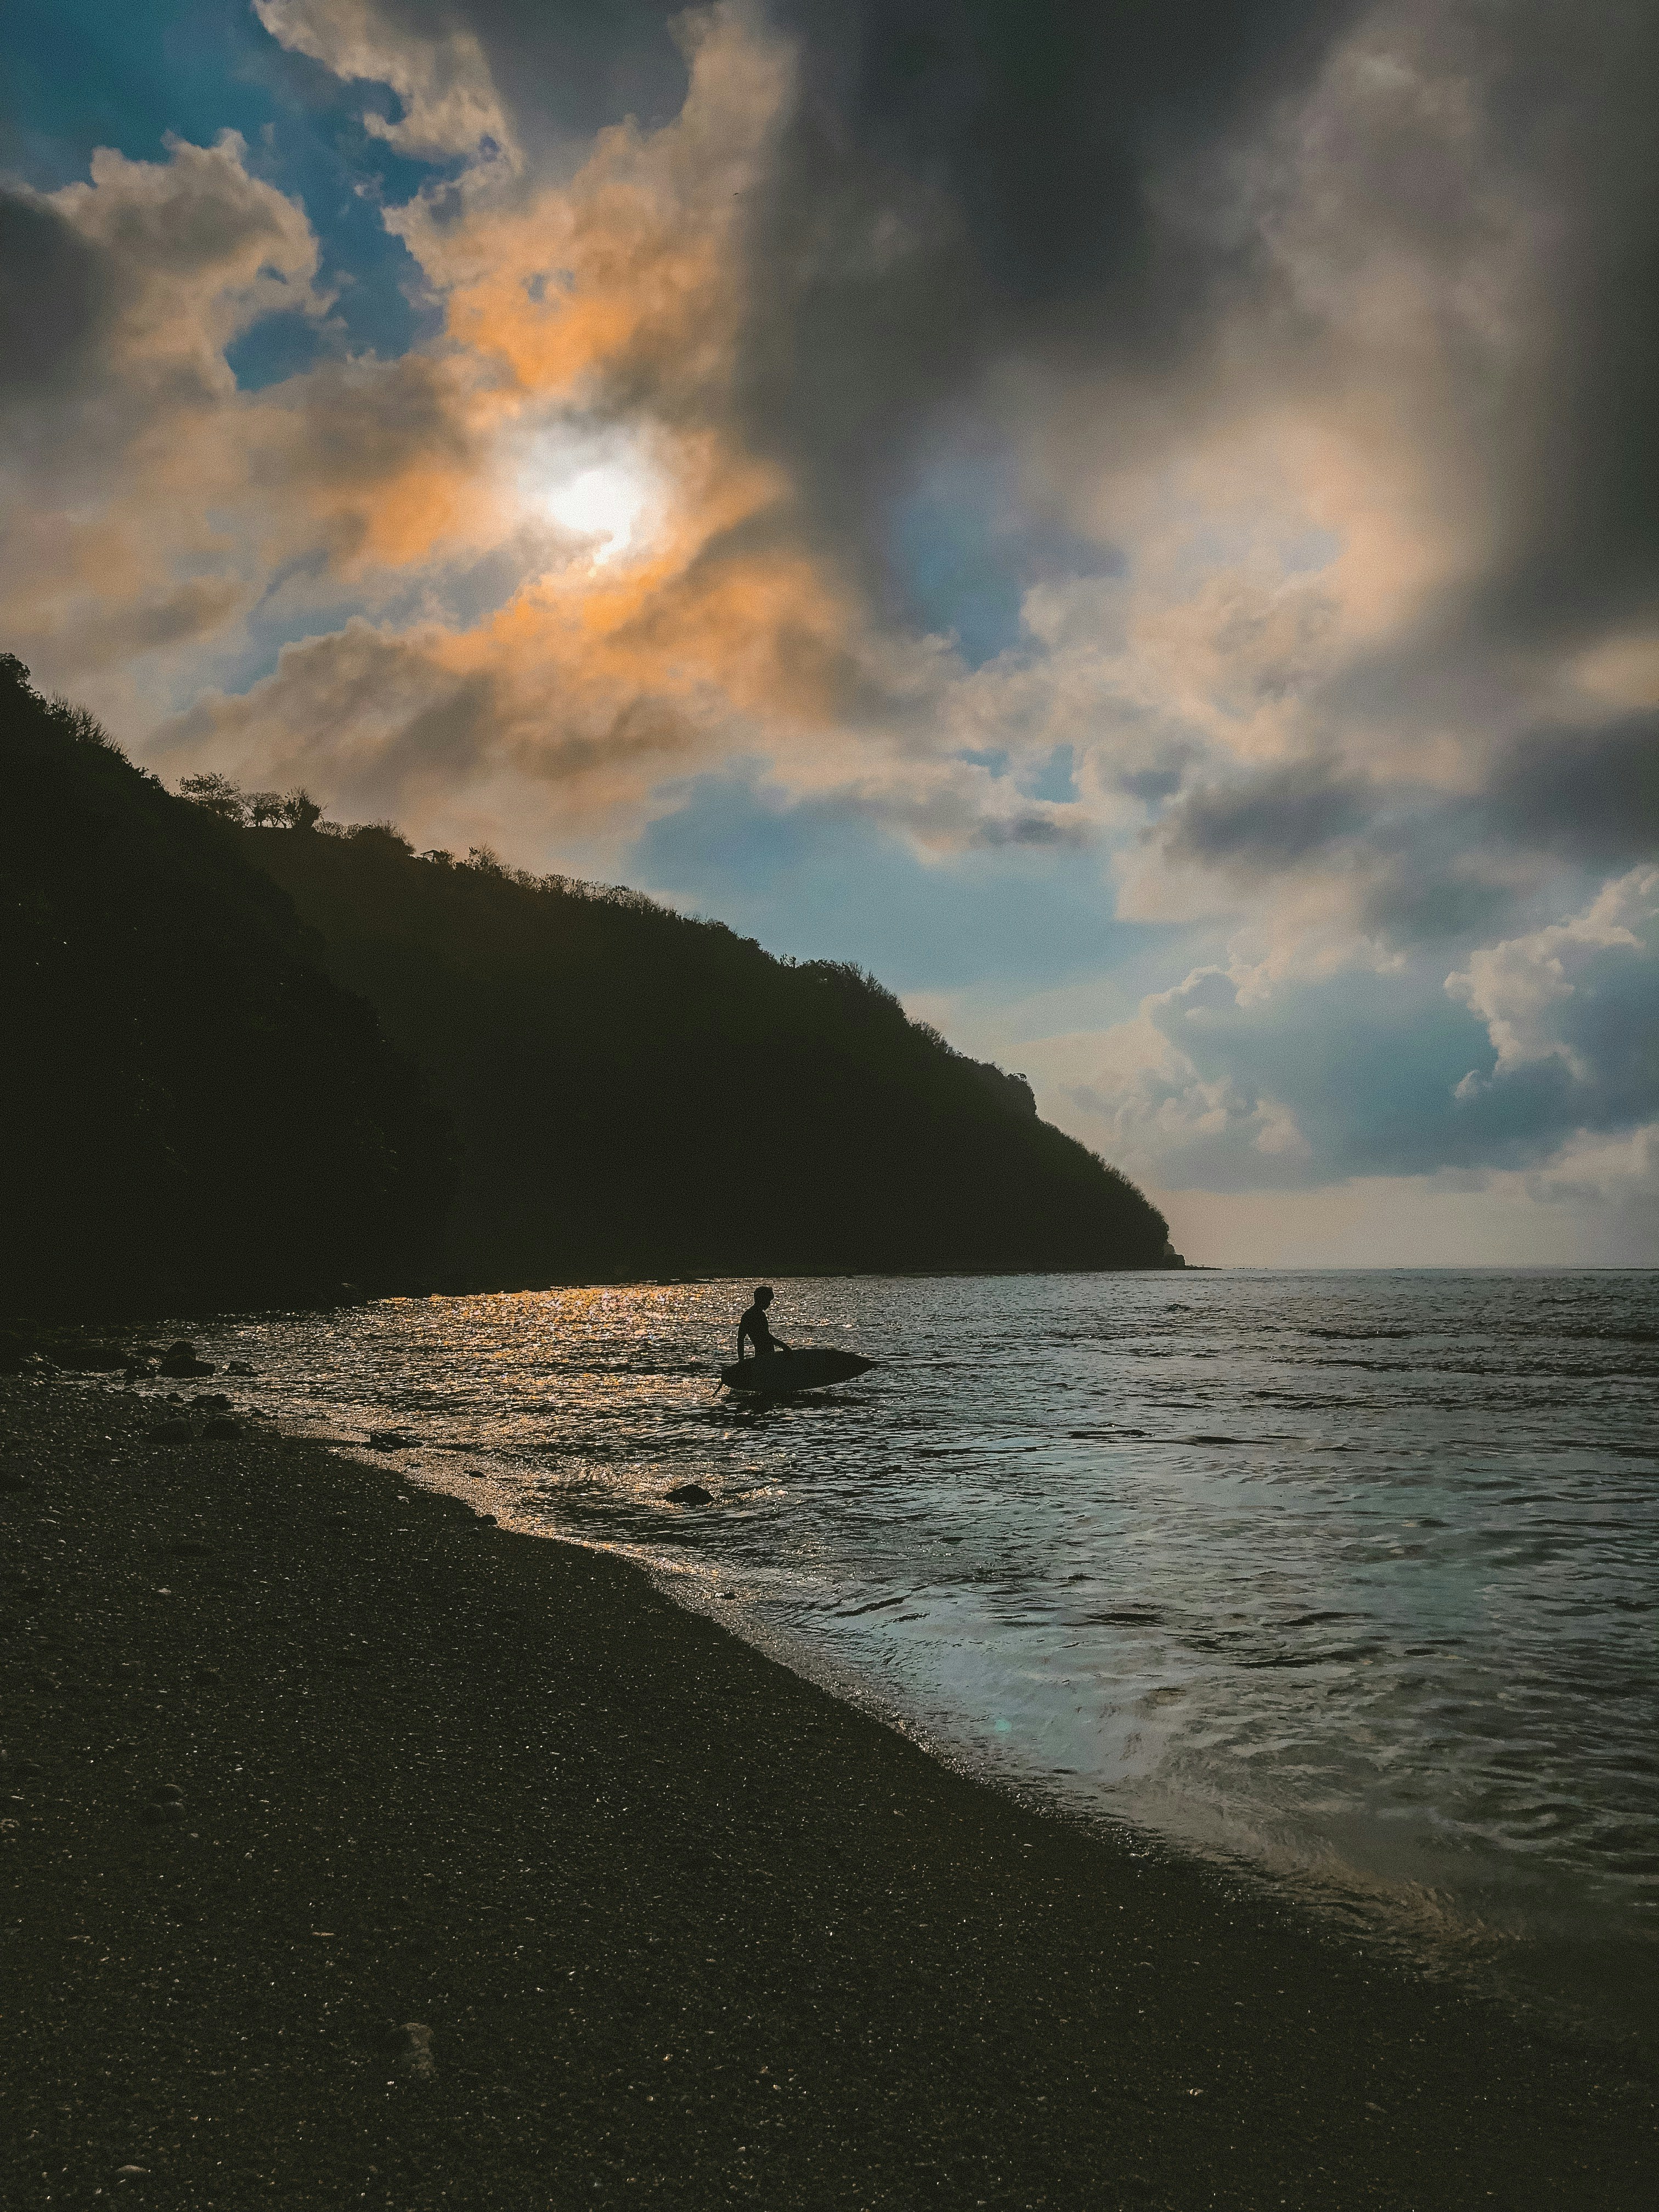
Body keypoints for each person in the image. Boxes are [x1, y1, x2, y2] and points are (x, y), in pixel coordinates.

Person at [736, 1284, 789, 1364]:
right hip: (765, 1357)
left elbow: (740, 1339)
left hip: (762, 1356)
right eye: (768, 1301)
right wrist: (783, 1346)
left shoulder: (748, 1315)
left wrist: (741, 1360)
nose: (769, 1304)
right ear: (762, 1300)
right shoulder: (757, 1315)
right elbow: (766, 1336)